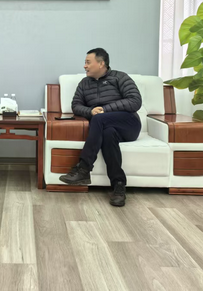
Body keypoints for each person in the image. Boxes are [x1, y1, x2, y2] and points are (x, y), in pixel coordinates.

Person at [59, 48, 142, 207]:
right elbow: (76, 106)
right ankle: (118, 186)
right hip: (106, 127)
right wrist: (90, 111)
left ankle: (84, 169)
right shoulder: (84, 83)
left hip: (128, 124)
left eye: (88, 62)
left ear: (101, 63)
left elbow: (135, 101)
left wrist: (105, 110)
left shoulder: (120, 77)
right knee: (108, 134)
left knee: (99, 119)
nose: (84, 66)